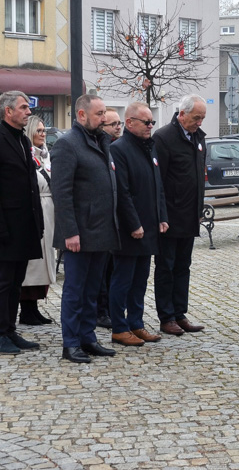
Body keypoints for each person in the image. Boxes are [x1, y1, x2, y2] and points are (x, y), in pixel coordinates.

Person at [51, 94, 119, 363]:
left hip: (101, 230)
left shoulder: (101, 141)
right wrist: (70, 232)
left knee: (93, 291)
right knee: (75, 291)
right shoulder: (68, 144)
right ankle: (71, 343)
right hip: (79, 233)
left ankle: (88, 338)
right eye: (100, 113)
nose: (104, 118)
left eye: (104, 113)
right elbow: (62, 192)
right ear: (81, 115)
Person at [0, 91, 44, 354]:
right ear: (8, 111)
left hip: (24, 225)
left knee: (17, 282)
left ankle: (11, 330)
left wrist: (37, 222)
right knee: (3, 282)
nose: (28, 112)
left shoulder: (21, 140)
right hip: (4, 227)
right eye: (24, 107)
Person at [108, 102, 168, 346]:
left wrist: (162, 216)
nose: (151, 126)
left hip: (149, 227)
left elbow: (157, 186)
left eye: (152, 122)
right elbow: (122, 192)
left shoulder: (148, 147)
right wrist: (133, 224)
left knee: (140, 280)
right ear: (129, 122)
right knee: (123, 280)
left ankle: (136, 323)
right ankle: (119, 328)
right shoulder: (119, 149)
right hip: (129, 230)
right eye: (146, 122)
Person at [152, 94, 207, 336]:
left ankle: (179, 313)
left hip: (189, 214)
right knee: (166, 267)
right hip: (170, 216)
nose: (200, 122)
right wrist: (161, 215)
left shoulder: (198, 137)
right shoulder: (163, 138)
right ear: (181, 114)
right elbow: (158, 182)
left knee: (183, 266)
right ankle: (166, 317)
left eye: (203, 118)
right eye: (196, 117)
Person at [19, 116, 56, 326]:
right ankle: (26, 308)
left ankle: (34, 306)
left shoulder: (45, 156)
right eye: (39, 131)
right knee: (33, 263)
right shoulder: (27, 156)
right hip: (37, 209)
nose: (43, 134)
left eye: (45, 131)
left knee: (45, 259)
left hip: (48, 209)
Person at [97, 108, 124, 330]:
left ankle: (108, 309)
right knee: (103, 269)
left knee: (113, 268)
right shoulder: (102, 147)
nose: (118, 127)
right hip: (100, 220)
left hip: (116, 219)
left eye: (119, 123)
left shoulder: (117, 148)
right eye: (113, 124)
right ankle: (101, 311)